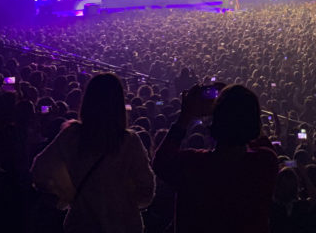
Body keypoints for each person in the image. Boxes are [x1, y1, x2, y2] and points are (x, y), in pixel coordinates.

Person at [32, 72, 155, 233]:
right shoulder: (129, 142)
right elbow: (146, 190)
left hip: (81, 224)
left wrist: (69, 195)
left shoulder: (71, 136)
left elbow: (40, 171)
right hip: (122, 226)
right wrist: (122, 200)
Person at [153, 83, 278, 233]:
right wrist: (237, 101)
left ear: (215, 121)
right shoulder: (264, 162)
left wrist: (186, 116)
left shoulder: (193, 165)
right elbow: (256, 134)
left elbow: (161, 162)